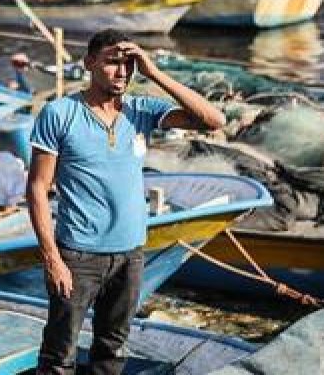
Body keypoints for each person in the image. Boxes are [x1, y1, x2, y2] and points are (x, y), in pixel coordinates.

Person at [27, 29, 225, 375]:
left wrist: (153, 71)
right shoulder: (60, 113)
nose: (122, 72)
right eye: (112, 62)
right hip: (78, 254)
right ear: (89, 63)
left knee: (113, 348)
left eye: (128, 64)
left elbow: (213, 121)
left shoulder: (140, 110)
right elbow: (37, 189)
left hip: (130, 253)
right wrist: (52, 259)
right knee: (60, 354)